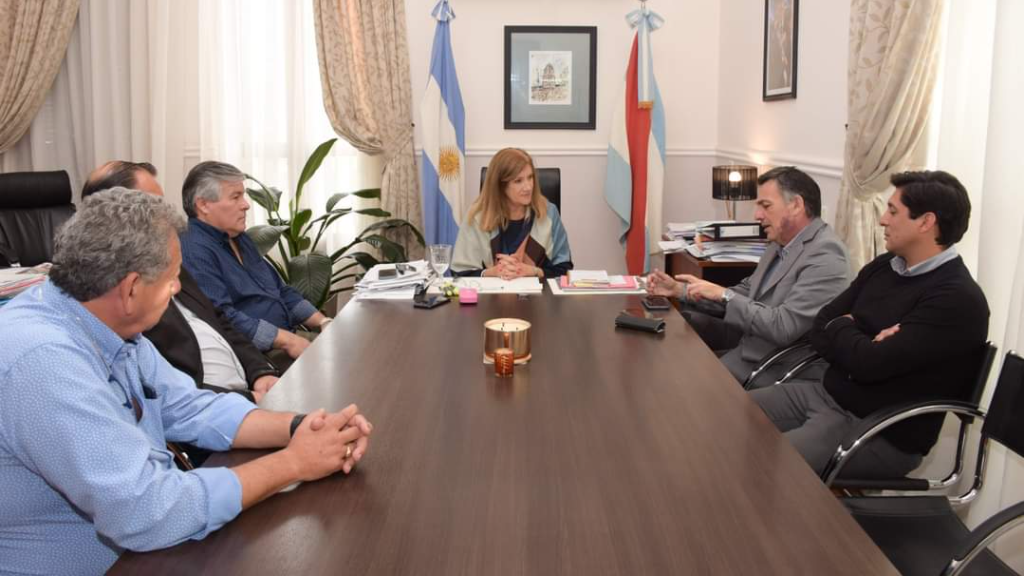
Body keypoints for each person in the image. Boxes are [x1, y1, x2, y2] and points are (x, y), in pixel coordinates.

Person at [0, 188, 372, 575]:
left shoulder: (105, 322)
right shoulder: (44, 362)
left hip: (149, 550)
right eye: (172, 278)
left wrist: (303, 427)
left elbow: (188, 406)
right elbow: (146, 511)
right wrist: (294, 463)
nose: (178, 288)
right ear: (130, 289)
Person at [750, 170, 989, 478]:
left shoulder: (956, 299)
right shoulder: (885, 266)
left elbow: (867, 364)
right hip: (826, 394)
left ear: (926, 222)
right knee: (729, 412)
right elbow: (821, 325)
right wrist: (860, 339)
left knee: (764, 465)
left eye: (893, 211)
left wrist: (846, 328)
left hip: (878, 428)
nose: (883, 220)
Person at [83, 161, 280, 403]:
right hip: (211, 405)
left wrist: (260, 372)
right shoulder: (113, 293)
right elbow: (160, 388)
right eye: (152, 205)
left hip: (244, 389)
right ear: (113, 215)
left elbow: (218, 318)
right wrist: (246, 398)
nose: (164, 215)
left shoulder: (165, 258)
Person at [647, 166, 849, 383]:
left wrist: (725, 295)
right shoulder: (779, 243)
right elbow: (746, 292)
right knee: (665, 355)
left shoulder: (826, 255)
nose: (757, 215)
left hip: (779, 366)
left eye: (766, 206)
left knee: (681, 382)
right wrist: (681, 290)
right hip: (750, 348)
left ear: (796, 205)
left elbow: (784, 327)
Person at [179, 161, 330, 360]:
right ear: (203, 205)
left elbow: (280, 290)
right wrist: (288, 340)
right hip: (257, 355)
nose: (246, 204)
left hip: (286, 337)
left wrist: (323, 322)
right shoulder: (194, 250)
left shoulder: (240, 238)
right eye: (235, 197)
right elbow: (222, 317)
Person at [451, 148, 573, 279]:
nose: (528, 187)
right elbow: (460, 273)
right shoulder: (477, 216)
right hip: (489, 292)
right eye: (518, 181)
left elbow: (564, 269)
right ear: (500, 186)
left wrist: (533, 271)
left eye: (530, 177)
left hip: (538, 291)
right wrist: (493, 272)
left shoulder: (548, 213)